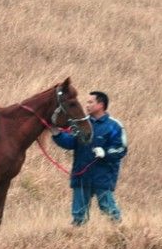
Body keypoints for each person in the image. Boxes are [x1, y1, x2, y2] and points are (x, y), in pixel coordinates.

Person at [51, 91, 127, 226]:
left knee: (108, 209)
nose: (87, 105)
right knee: (78, 215)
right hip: (81, 176)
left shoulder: (114, 126)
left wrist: (106, 153)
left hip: (103, 176)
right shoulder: (81, 124)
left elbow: (121, 149)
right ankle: (77, 240)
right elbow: (70, 142)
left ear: (101, 105)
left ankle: (121, 233)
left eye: (90, 102)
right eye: (87, 102)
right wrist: (57, 134)